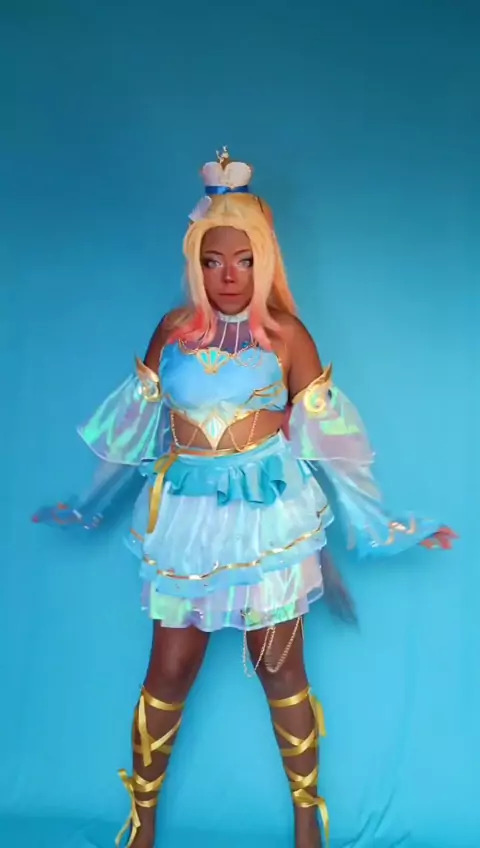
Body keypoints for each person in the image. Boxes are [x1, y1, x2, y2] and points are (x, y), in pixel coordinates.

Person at [33, 147, 456, 848]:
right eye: (212, 261)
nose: (228, 275)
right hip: (186, 524)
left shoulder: (287, 337)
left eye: (244, 260)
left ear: (265, 262)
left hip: (268, 523)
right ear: (196, 264)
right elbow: (134, 428)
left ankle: (306, 825)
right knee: (168, 670)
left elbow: (334, 444)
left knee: (281, 668)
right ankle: (141, 823)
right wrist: (88, 505)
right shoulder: (173, 332)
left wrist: (386, 526)